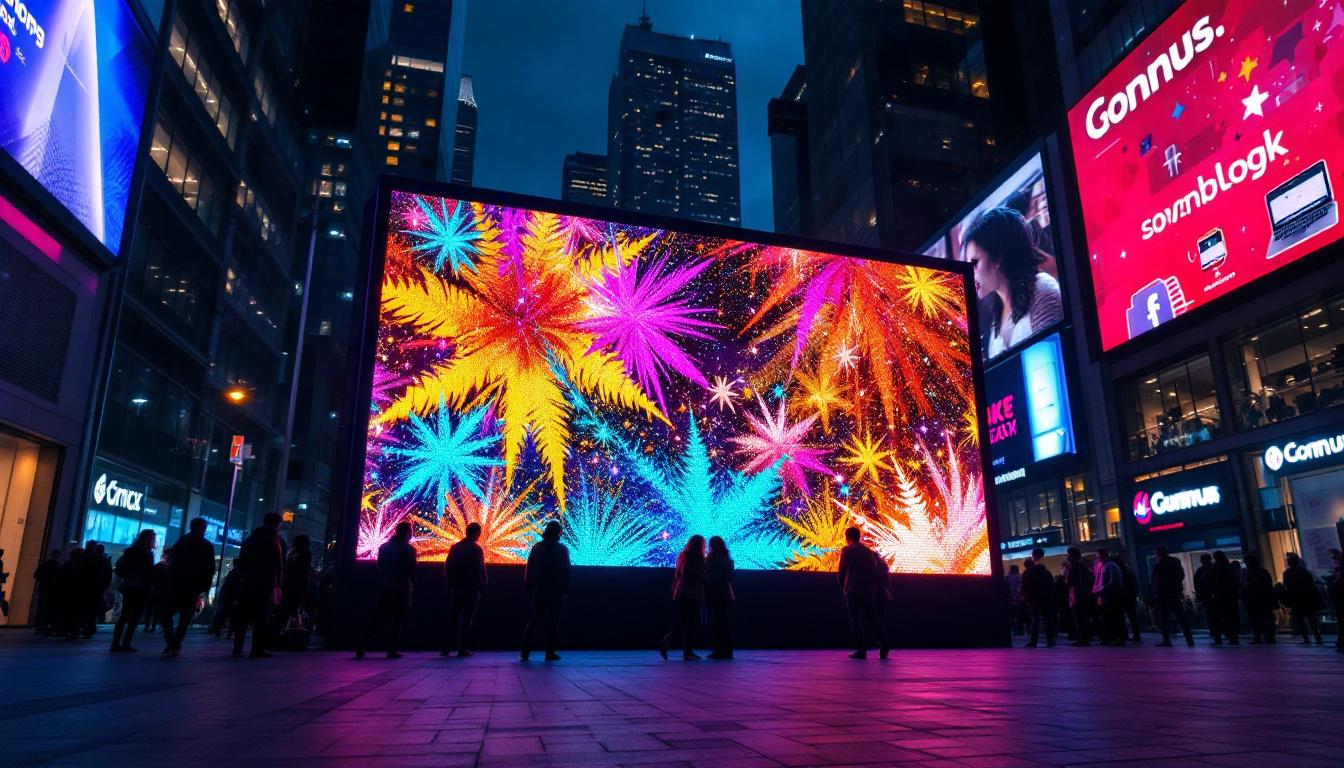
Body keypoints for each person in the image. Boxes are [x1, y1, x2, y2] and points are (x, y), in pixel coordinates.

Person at [962, 207, 1065, 360]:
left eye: (975, 262)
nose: (970, 272)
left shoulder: (1043, 291)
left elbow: (1058, 358)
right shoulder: (996, 318)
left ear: (997, 258)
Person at [356, 521, 418, 659]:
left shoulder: (384, 548)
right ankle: (392, 649)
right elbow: (411, 570)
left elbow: (379, 567)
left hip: (385, 586)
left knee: (378, 618)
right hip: (401, 588)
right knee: (398, 620)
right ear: (407, 533)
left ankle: (362, 645)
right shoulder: (409, 550)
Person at [232, 512, 285, 658]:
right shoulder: (274, 540)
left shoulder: (251, 538)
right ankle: (256, 648)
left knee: (242, 615)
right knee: (261, 616)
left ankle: (237, 647)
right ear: (277, 524)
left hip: (247, 580)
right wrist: (278, 582)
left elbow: (242, 560)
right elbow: (278, 563)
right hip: (264, 581)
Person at [162, 518, 216, 656]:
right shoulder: (206, 546)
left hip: (177, 583)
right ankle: (176, 641)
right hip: (193, 585)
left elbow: (172, 562)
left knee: (167, 613)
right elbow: (209, 568)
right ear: (202, 529)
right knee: (185, 617)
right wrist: (206, 585)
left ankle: (171, 640)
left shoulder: (181, 542)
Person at [521, 521, 571, 662]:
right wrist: (565, 588)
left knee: (535, 619)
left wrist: (529, 585)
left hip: (540, 588)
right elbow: (566, 570)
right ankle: (549, 653)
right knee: (553, 622)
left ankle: (525, 652)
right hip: (556, 589)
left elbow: (529, 567)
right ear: (558, 532)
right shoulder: (562, 549)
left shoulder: (537, 547)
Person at [837, 527, 888, 659]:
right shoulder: (868, 551)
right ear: (859, 536)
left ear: (847, 537)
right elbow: (873, 571)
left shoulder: (847, 550)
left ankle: (861, 650)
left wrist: (842, 584)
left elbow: (842, 570)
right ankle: (884, 644)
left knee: (855, 621)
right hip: (867, 590)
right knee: (873, 619)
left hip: (852, 589)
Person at [443, 522, 487, 657]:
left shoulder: (455, 547)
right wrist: (483, 583)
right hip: (471, 588)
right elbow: (480, 568)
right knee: (467, 618)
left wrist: (451, 583)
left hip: (457, 587)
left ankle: (446, 648)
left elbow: (448, 566)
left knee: (454, 617)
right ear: (476, 533)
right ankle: (462, 648)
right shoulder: (476, 549)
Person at [660, 534, 707, 660]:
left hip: (681, 591)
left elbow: (678, 575)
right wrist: (706, 580)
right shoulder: (698, 559)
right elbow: (697, 575)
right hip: (692, 593)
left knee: (683, 620)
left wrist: (674, 590)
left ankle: (672, 643)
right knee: (691, 622)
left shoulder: (683, 556)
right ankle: (685, 650)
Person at [110, 531, 156, 652]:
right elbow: (150, 572)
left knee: (125, 615)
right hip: (141, 587)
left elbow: (121, 568)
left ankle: (116, 643)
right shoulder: (148, 554)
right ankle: (126, 642)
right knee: (135, 616)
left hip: (130, 585)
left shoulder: (131, 551)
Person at [1151, 547, 1194, 647]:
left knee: (1164, 618)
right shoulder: (1175, 561)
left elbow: (1156, 580)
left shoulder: (1159, 565)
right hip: (1175, 592)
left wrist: (1155, 592)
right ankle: (1189, 639)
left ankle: (1166, 639)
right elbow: (1181, 575)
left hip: (1163, 594)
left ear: (1159, 554)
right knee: (1180, 616)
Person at [1282, 554, 1324, 645]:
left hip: (1296, 598)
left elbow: (1286, 585)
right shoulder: (1305, 571)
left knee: (1300, 619)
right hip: (1307, 597)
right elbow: (1311, 584)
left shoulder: (1287, 573)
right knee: (1311, 618)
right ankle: (1318, 637)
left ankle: (1306, 638)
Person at [705, 535, 736, 660]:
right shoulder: (729, 560)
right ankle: (727, 651)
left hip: (715, 592)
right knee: (723, 622)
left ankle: (718, 650)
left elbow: (707, 574)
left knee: (717, 622)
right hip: (726, 593)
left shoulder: (711, 559)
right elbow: (729, 578)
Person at [1091, 547, 1125, 646]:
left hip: (1110, 596)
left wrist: (1099, 591)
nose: (1097, 557)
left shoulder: (1109, 566)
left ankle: (1117, 637)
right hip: (1106, 595)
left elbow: (1113, 582)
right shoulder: (1103, 565)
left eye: (1098, 554)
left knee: (1113, 617)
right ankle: (1113, 637)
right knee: (1109, 618)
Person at [1241, 553, 1277, 645]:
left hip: (1254, 599)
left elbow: (1248, 585)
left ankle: (1258, 637)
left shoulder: (1249, 572)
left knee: (1256, 619)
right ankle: (1270, 637)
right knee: (1268, 618)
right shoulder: (1263, 571)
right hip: (1265, 598)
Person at [1022, 556, 1056, 648]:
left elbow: (1025, 587)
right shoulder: (1046, 572)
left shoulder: (1027, 573)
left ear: (1026, 566)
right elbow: (1052, 585)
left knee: (1035, 619)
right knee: (1047, 619)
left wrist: (1026, 599)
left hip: (1034, 599)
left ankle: (1033, 641)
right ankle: (1050, 640)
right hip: (1046, 598)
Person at [1063, 548, 1094, 646]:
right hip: (1079, 592)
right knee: (1081, 616)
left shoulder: (1075, 566)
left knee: (1080, 616)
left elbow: (1072, 581)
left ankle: (1083, 637)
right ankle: (1085, 636)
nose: (1067, 557)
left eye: (1068, 555)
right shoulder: (1080, 566)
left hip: (1077, 593)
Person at [281, 534, 313, 627]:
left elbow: (289, 569)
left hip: (289, 585)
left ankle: (287, 629)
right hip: (298, 587)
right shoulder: (305, 554)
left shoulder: (293, 553)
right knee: (295, 609)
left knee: (288, 609)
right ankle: (294, 629)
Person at [1210, 550, 1241, 645]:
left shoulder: (1216, 567)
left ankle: (1229, 635)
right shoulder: (1230, 567)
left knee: (1223, 616)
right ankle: (1234, 636)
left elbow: (1214, 581)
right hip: (1231, 594)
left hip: (1221, 595)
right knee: (1233, 615)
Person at [33, 549, 62, 636]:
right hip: (51, 590)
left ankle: (39, 627)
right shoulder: (56, 564)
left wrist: (43, 579)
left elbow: (36, 575)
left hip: (43, 588)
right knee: (48, 609)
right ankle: (44, 626)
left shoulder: (45, 564)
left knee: (41, 608)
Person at [1193, 553, 1219, 643]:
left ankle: (1215, 632)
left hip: (1208, 595)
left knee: (1211, 614)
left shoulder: (1201, 570)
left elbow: (1196, 583)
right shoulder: (1211, 568)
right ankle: (1215, 631)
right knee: (1212, 614)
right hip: (1210, 595)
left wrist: (1199, 593)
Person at [1116, 552, 1141, 643]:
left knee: (1123, 616)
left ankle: (1126, 634)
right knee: (1132, 616)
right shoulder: (1128, 570)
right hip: (1130, 596)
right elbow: (1134, 584)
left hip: (1124, 597)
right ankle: (1136, 634)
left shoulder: (1122, 571)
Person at [144, 552, 171, 634]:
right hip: (161, 591)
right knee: (157, 610)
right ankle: (153, 626)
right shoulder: (166, 567)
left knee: (150, 609)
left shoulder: (157, 566)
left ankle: (147, 626)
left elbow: (151, 577)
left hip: (154, 590)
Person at [1006, 564, 1024, 636]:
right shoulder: (1018, 578)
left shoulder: (1006, 578)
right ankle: (1018, 630)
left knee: (1010, 616)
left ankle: (1012, 630)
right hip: (1017, 599)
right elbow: (1019, 589)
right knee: (1018, 616)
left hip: (1009, 599)